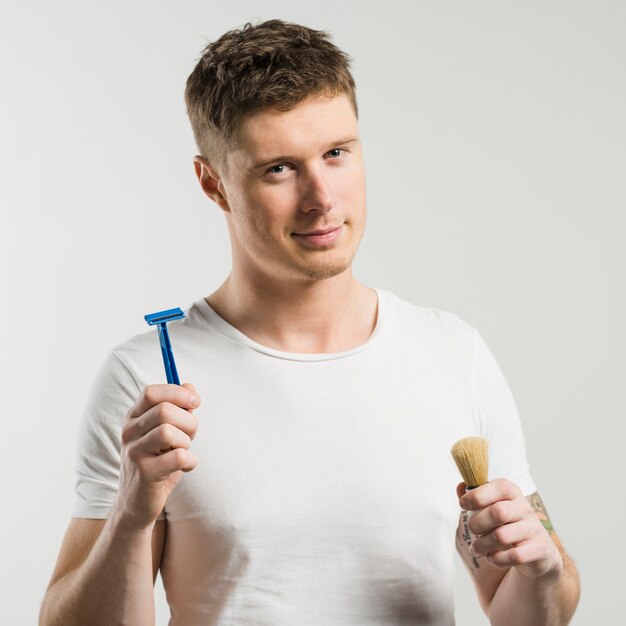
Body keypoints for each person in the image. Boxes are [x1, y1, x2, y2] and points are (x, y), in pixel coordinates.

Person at [40, 18, 580, 626]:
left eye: (337, 153)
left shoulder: (454, 353)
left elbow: (534, 611)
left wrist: (543, 569)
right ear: (212, 183)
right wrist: (132, 512)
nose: (322, 197)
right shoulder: (147, 379)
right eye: (279, 168)